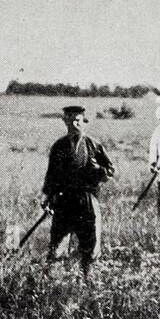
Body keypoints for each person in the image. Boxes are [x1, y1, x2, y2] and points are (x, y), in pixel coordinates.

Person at [40, 105, 116, 279]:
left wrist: (99, 171)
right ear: (64, 121)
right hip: (64, 199)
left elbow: (110, 170)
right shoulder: (59, 146)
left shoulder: (94, 145)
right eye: (71, 120)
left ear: (84, 122)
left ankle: (87, 278)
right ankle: (54, 280)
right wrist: (47, 196)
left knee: (90, 241)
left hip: (87, 199)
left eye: (78, 120)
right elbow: (51, 174)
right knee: (58, 240)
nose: (74, 124)